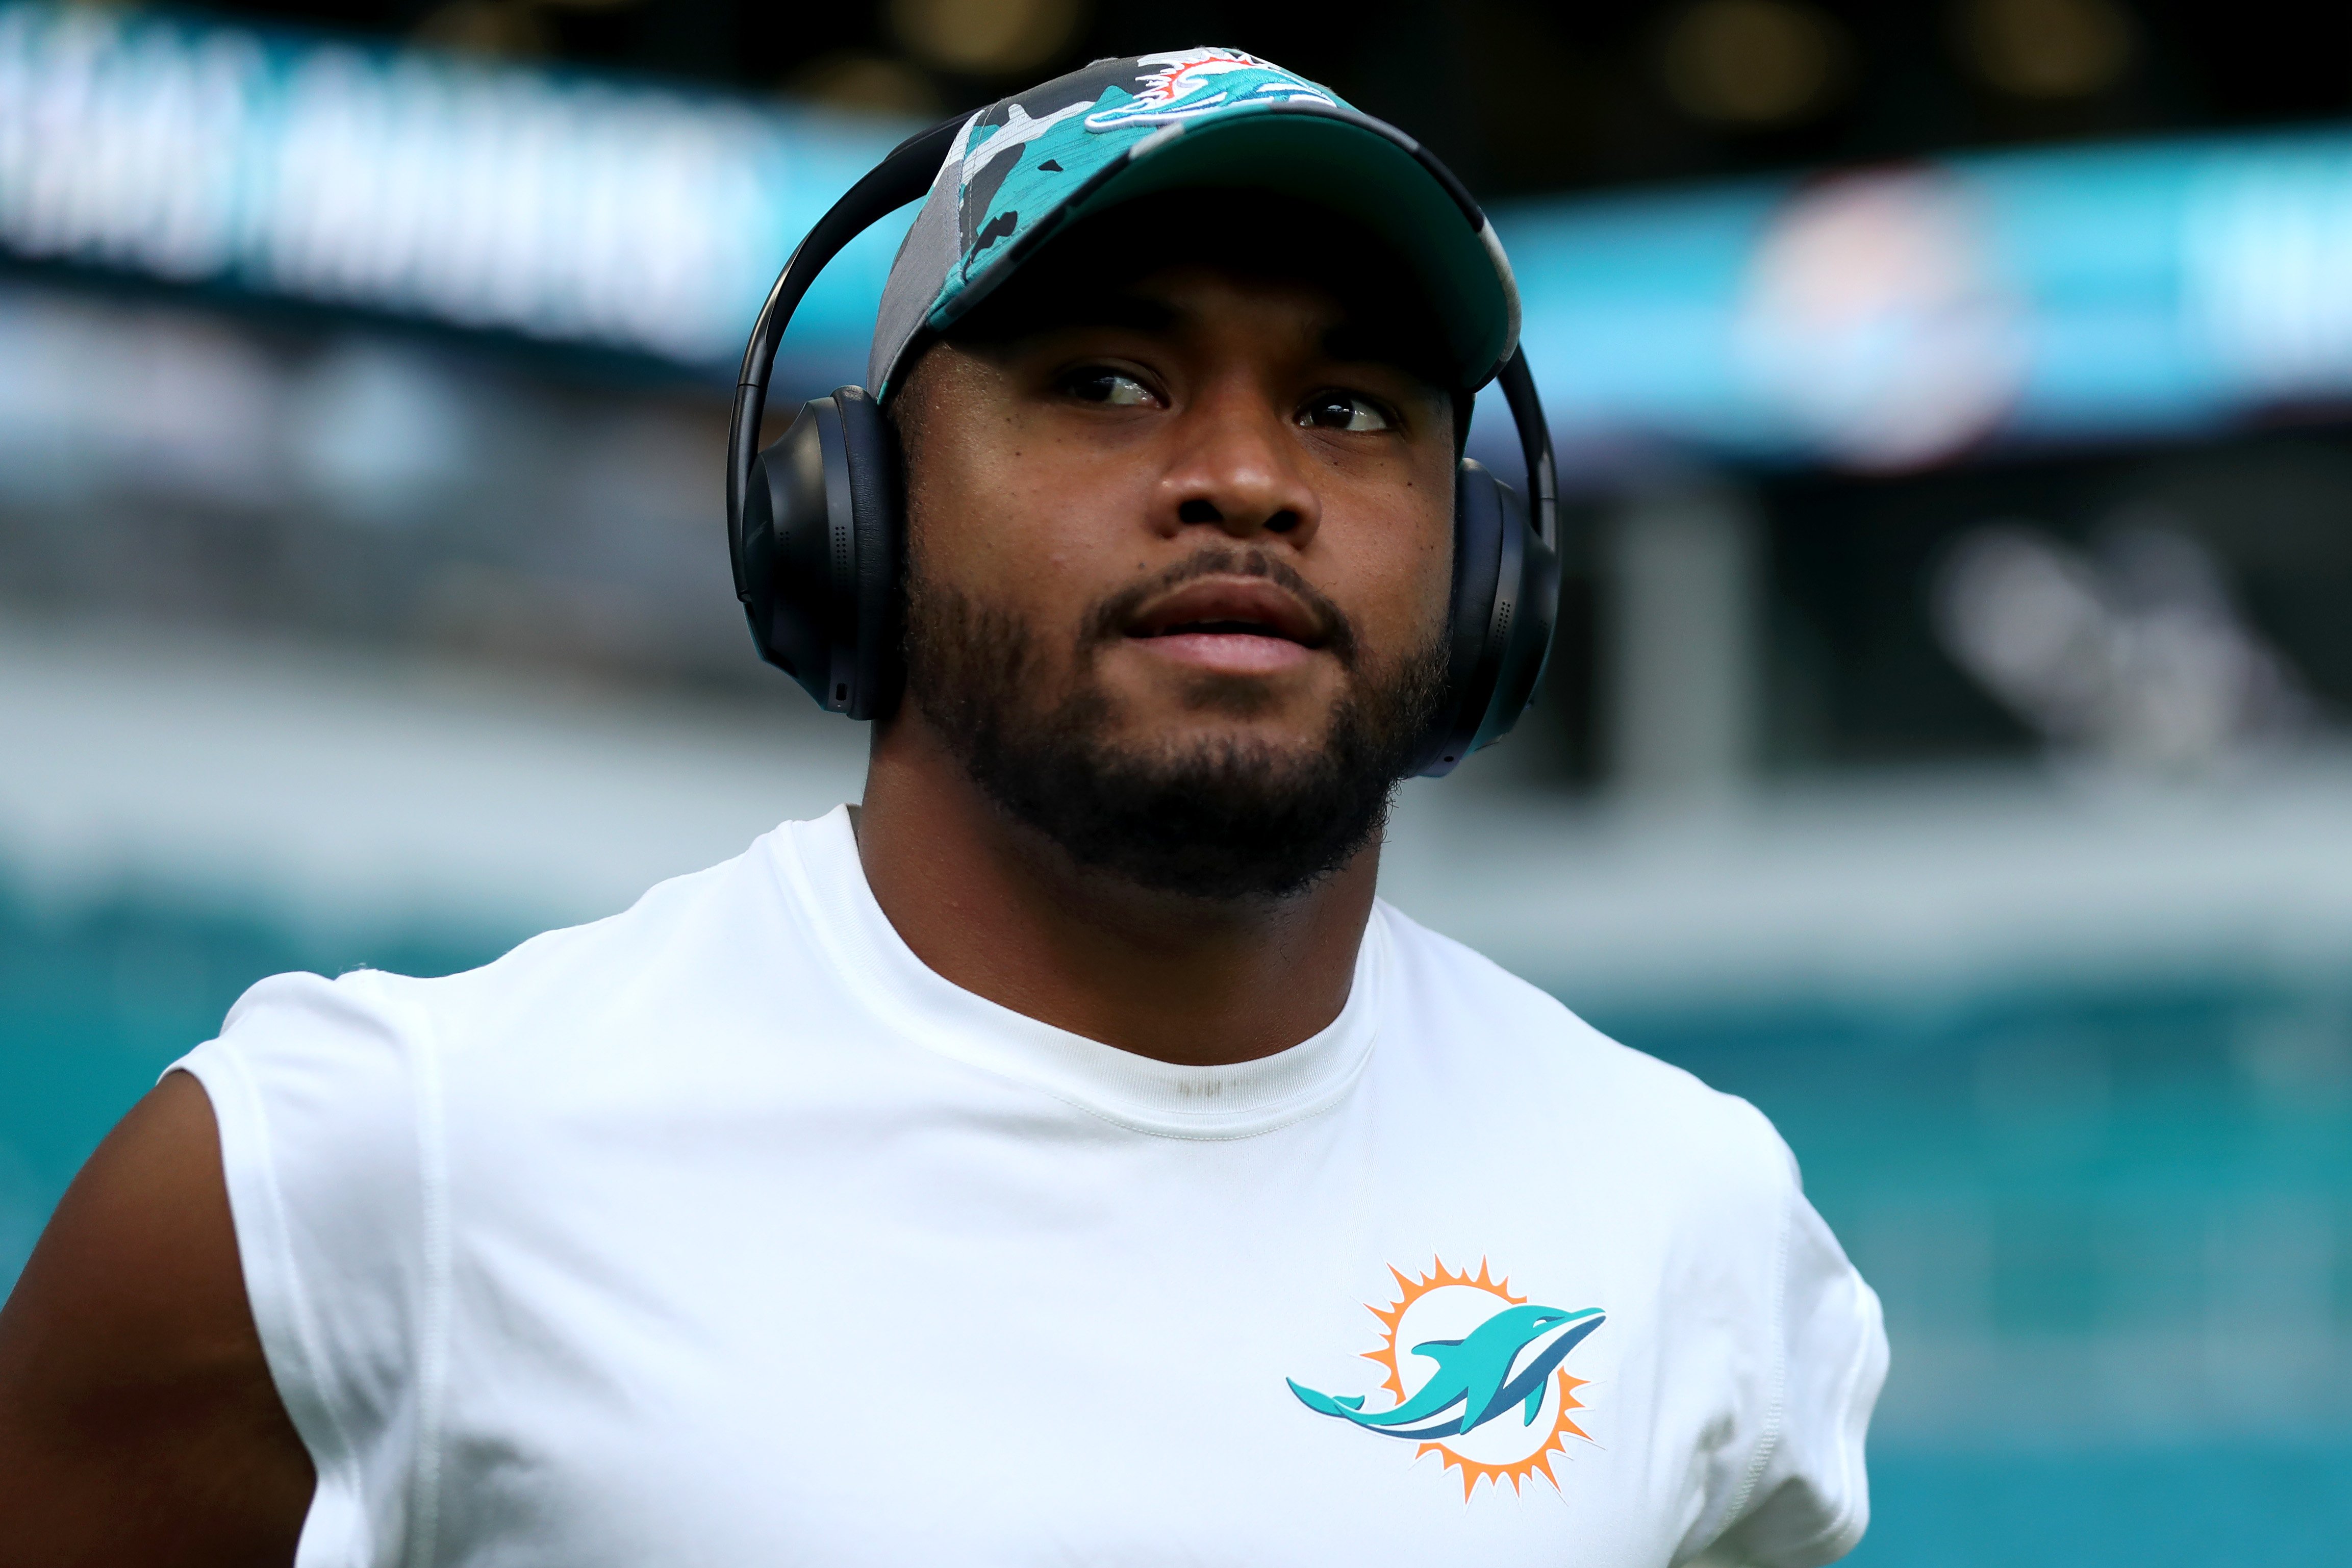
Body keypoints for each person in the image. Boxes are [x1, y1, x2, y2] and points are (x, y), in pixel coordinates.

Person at [0, 48, 1885, 1567]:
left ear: (1486, 576)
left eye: (1350, 410)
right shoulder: (351, 1175)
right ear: (852, 516)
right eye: (1108, 379)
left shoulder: (1683, 1218)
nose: (1242, 476)